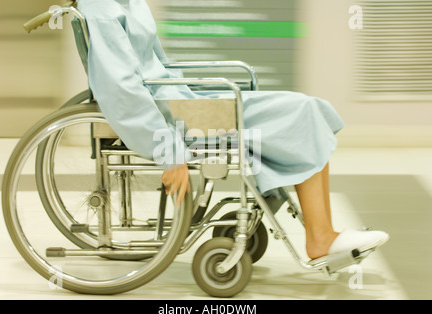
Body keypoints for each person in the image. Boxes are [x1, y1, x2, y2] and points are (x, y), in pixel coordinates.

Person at [76, 0, 388, 260]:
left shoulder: (127, 2)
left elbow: (161, 65)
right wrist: (169, 151)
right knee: (302, 114)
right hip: (167, 115)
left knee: (309, 108)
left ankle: (322, 233)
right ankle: (320, 239)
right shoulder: (101, 8)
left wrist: (194, 90)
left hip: (179, 100)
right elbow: (120, 90)